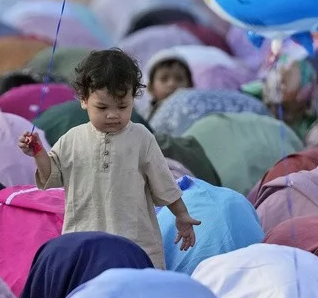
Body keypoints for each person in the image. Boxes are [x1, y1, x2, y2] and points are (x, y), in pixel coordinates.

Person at [19, 49, 199, 268]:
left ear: (134, 98)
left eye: (123, 106)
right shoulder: (72, 139)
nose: (113, 115)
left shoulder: (142, 137)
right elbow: (51, 176)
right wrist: (38, 153)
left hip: (136, 244)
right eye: (102, 107)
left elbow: (164, 183)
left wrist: (181, 215)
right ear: (84, 100)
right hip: (83, 244)